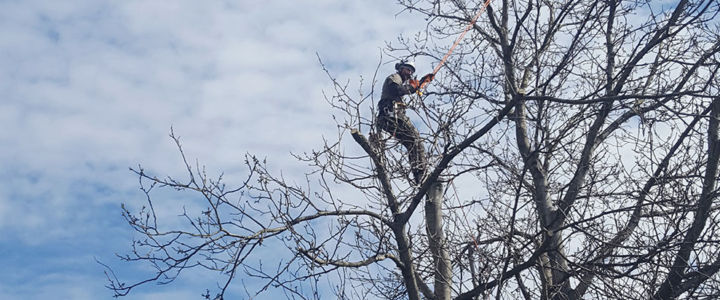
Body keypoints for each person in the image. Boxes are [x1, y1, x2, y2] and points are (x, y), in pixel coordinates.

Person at [376, 60, 434, 184]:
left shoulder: (401, 81)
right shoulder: (395, 77)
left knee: (411, 143)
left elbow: (404, 90)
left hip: (390, 118)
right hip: (390, 115)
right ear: (401, 68)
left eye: (411, 71)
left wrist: (421, 82)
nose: (409, 73)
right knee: (416, 140)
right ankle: (420, 172)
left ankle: (419, 175)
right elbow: (398, 90)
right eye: (407, 70)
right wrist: (416, 85)